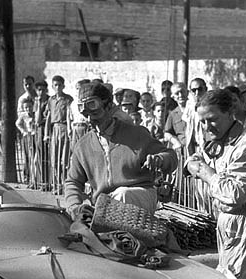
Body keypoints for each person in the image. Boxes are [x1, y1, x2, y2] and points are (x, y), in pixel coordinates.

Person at [185, 89, 246, 279]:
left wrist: (204, 172)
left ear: (229, 113)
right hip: (229, 222)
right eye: (202, 121)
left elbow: (235, 195)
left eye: (212, 119)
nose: (207, 127)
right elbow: (197, 159)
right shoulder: (221, 141)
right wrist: (193, 164)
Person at [64, 82, 178, 221]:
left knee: (123, 194)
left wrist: (159, 159)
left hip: (140, 195)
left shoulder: (137, 134)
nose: (90, 119)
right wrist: (75, 206)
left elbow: (171, 157)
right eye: (86, 115)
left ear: (110, 108)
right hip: (104, 205)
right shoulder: (83, 146)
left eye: (95, 113)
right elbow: (73, 182)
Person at [44, 75, 73, 191]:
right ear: (52, 86)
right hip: (54, 129)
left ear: (63, 86)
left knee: (64, 160)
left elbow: (69, 116)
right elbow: (48, 117)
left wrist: (69, 130)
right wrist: (46, 133)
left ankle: (65, 183)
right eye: (55, 85)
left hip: (65, 128)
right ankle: (57, 184)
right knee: (54, 159)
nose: (57, 87)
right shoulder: (51, 100)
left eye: (60, 85)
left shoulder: (68, 99)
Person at [15, 97, 37, 186]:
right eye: (26, 107)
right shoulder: (23, 115)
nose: (28, 109)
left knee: (34, 157)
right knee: (27, 157)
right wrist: (23, 131)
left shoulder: (35, 115)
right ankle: (26, 177)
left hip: (35, 136)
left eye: (29, 107)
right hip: (27, 137)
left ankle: (34, 176)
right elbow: (17, 123)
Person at [163, 82, 188, 151]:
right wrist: (175, 142)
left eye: (182, 92)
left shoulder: (196, 110)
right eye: (177, 93)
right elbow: (167, 133)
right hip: (183, 149)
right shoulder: (173, 114)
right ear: (173, 97)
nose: (180, 95)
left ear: (187, 92)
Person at [34, 80, 50, 185]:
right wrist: (39, 104)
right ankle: (41, 180)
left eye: (43, 90)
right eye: (39, 90)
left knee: (47, 156)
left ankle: (47, 180)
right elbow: (37, 120)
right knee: (39, 155)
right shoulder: (37, 102)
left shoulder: (49, 101)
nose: (41, 92)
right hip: (39, 129)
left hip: (48, 129)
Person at [68, 78, 92, 145]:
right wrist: (69, 129)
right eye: (77, 89)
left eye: (80, 89)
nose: (78, 91)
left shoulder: (87, 101)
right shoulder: (73, 103)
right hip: (75, 127)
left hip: (85, 126)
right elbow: (70, 117)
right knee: (75, 148)